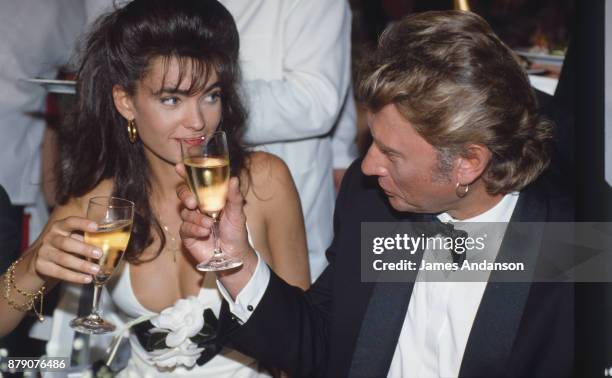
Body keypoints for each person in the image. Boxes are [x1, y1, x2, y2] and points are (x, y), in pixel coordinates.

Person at [178, 11, 574, 377]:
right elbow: (322, 345)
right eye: (372, 141)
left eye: (390, 153)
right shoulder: (375, 202)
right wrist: (236, 262)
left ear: (468, 163)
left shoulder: (573, 246)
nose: (367, 166)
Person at [0, 0, 309, 376]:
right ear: (125, 102)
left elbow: (304, 344)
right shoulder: (102, 203)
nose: (198, 121)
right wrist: (35, 266)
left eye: (211, 95)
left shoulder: (262, 182)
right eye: (172, 99)